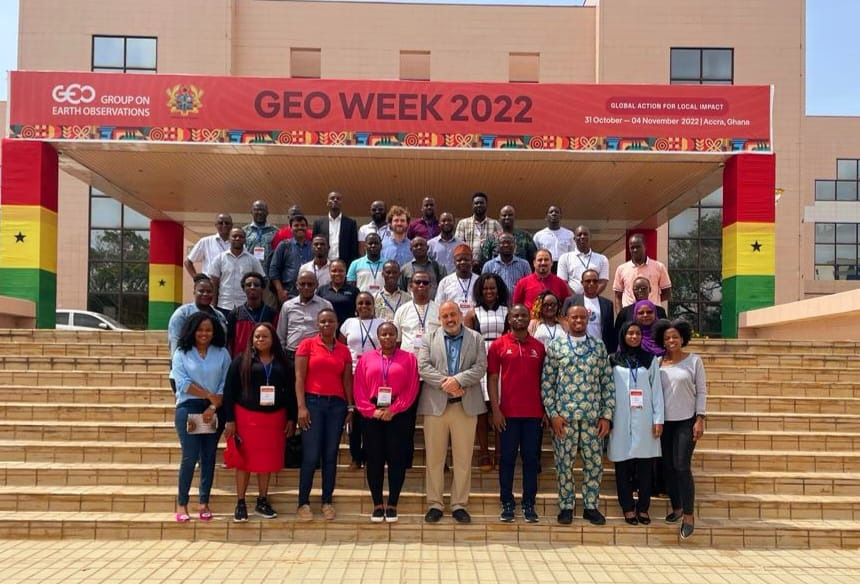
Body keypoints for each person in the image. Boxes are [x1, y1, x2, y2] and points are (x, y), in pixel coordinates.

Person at [541, 305, 614, 526]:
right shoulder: (557, 346)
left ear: (588, 318)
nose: (579, 321)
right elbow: (547, 383)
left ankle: (591, 506)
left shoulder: (598, 346)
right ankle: (566, 506)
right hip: (564, 419)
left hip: (593, 419)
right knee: (564, 464)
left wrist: (606, 416)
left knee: (594, 464)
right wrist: (553, 414)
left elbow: (607, 383)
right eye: (574, 317)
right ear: (567, 319)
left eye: (583, 317)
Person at [418, 300, 488, 524]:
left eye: (453, 314)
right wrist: (446, 383)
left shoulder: (475, 338)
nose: (450, 319)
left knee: (463, 458)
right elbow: (423, 367)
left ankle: (459, 504)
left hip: (465, 407)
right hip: (436, 407)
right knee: (434, 458)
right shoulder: (429, 338)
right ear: (440, 319)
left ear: (460, 315)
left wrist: (457, 380)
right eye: (445, 316)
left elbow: (480, 367)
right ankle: (435, 504)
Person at [223, 322, 297, 522]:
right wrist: (230, 420)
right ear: (252, 339)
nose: (260, 339)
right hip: (247, 418)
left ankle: (262, 500)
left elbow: (291, 392)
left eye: (265, 336)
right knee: (244, 462)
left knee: (266, 462)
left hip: (274, 420)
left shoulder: (283, 362)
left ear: (273, 339)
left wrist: (292, 418)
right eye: (257, 336)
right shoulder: (241, 360)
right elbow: (229, 391)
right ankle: (240, 502)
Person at [353, 321, 420, 523]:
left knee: (396, 459)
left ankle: (392, 503)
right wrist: (371, 411)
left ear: (397, 336)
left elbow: (412, 388)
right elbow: (359, 388)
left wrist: (394, 409)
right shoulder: (366, 359)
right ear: (378, 337)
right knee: (374, 459)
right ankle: (377, 504)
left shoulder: (409, 358)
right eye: (384, 334)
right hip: (372, 414)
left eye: (391, 334)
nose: (388, 337)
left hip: (398, 413)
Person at [170, 311, 231, 523]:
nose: (204, 333)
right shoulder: (182, 353)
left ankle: (204, 502)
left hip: (213, 409)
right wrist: (207, 396)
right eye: (200, 330)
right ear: (192, 331)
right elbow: (182, 383)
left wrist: (213, 406)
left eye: (208, 330)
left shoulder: (222, 353)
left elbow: (225, 383)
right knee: (190, 456)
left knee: (208, 456)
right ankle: (182, 503)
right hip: (189, 407)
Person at [294, 308, 354, 521]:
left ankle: (327, 501)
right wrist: (301, 407)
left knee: (330, 455)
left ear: (337, 323)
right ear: (317, 324)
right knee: (311, 456)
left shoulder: (344, 350)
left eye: (330, 321)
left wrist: (350, 407)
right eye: (323, 321)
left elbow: (347, 381)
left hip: (336, 406)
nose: (327, 324)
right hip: (313, 403)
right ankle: (303, 503)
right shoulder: (307, 345)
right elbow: (299, 378)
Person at [488, 304, 546, 523]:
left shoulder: (539, 347)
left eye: (523, 315)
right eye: (515, 315)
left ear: (529, 318)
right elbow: (492, 378)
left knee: (531, 459)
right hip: (507, 415)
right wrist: (495, 410)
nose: (519, 319)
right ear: (509, 319)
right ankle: (507, 502)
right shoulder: (498, 345)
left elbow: (544, 380)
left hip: (533, 414)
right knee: (507, 459)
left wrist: (545, 410)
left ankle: (529, 503)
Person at [654, 319, 707, 540]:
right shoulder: (658, 362)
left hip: (687, 421)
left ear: (682, 338)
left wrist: (700, 418)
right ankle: (676, 508)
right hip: (664, 423)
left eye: (675, 336)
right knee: (668, 467)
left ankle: (688, 515)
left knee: (682, 466)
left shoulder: (694, 361)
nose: (671, 340)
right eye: (667, 338)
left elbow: (701, 391)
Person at [608, 321, 664, 526]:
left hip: (645, 419)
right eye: (630, 333)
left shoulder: (650, 359)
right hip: (620, 418)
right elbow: (607, 389)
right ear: (623, 336)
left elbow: (656, 391)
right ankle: (627, 507)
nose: (634, 337)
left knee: (645, 467)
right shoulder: (612, 360)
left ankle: (643, 507)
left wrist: (658, 420)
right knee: (622, 466)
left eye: (637, 333)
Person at [392, 271, 441, 468]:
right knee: (406, 416)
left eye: (425, 282)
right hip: (408, 371)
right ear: (410, 286)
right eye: (417, 282)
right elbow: (396, 342)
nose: (421, 286)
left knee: (435, 417)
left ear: (431, 286)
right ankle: (405, 458)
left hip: (433, 370)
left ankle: (437, 459)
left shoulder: (438, 309)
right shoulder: (402, 310)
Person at [464, 273, 509, 472]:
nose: (489, 291)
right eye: (485, 288)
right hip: (480, 361)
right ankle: (483, 453)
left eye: (492, 288)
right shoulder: (472, 314)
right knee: (481, 411)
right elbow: (466, 341)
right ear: (479, 291)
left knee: (498, 409)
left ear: (498, 290)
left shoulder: (508, 311)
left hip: (502, 362)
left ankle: (499, 452)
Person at [338, 292, 383, 471]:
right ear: (356, 306)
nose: (364, 306)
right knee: (354, 417)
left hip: (375, 375)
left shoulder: (381, 323)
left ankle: (370, 456)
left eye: (368, 303)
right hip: (352, 374)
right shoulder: (348, 323)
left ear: (373, 305)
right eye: (361, 303)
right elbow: (341, 348)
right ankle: (355, 457)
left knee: (372, 417)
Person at [276, 271, 333, 360]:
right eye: (302, 284)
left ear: (316, 285)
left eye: (310, 284)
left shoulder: (325, 305)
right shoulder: (287, 306)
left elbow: (331, 332)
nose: (306, 287)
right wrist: (282, 356)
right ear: (297, 285)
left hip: (316, 354)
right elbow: (281, 334)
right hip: (291, 354)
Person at [167, 274, 228, 357]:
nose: (205, 294)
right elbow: (175, 341)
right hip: (188, 361)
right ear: (194, 292)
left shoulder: (219, 316)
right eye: (201, 291)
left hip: (214, 362)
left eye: (209, 291)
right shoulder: (182, 314)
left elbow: (223, 343)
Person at [613, 233, 672, 314]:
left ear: (645, 246)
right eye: (632, 248)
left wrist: (651, 302)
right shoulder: (621, 269)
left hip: (651, 313)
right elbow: (618, 296)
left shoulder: (659, 267)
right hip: (629, 313)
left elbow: (667, 293)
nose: (635, 250)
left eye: (638, 247)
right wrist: (620, 315)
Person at [209, 228, 265, 314]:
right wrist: (213, 305)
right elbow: (214, 283)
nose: (237, 238)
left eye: (241, 236)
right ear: (229, 239)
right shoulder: (219, 258)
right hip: (223, 305)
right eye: (234, 236)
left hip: (245, 306)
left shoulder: (253, 260)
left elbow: (261, 282)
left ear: (245, 239)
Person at [561, 269, 617, 354]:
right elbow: (563, 324)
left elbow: (609, 331)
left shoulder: (607, 304)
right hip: (575, 348)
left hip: (599, 350)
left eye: (595, 281)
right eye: (588, 281)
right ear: (582, 283)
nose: (591, 284)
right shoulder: (571, 301)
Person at [226, 272, 279, 357]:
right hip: (241, 358)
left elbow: (276, 340)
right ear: (243, 289)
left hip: (264, 358)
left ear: (262, 288)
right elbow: (230, 342)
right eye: (248, 285)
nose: (252, 287)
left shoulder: (272, 314)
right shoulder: (234, 314)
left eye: (256, 285)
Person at [269, 214, 312, 303]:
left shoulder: (313, 247)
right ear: (291, 228)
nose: (300, 228)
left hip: (310, 292)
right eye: (296, 225)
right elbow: (274, 269)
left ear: (306, 228)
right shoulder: (284, 245)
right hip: (289, 292)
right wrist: (280, 291)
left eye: (302, 225)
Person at [558, 225, 610, 296]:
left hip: (594, 299)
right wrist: (577, 298)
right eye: (579, 235)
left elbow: (603, 282)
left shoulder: (602, 259)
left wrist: (589, 296)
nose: (582, 237)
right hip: (572, 300)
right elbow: (563, 282)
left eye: (585, 234)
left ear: (590, 237)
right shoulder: (564, 258)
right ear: (574, 239)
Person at [455, 192, 502, 268]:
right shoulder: (463, 223)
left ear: (486, 205)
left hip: (490, 267)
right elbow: (459, 246)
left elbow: (499, 246)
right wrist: (471, 261)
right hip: (468, 267)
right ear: (472, 206)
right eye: (476, 203)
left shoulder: (495, 224)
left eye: (481, 203)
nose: (479, 205)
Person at [313, 191, 359, 267]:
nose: (335, 200)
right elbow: (314, 244)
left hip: (344, 265)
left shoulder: (350, 223)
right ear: (327, 202)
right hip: (323, 264)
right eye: (332, 198)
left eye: (338, 199)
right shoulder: (318, 223)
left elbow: (354, 247)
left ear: (341, 203)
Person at [481, 232, 532, 297]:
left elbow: (529, 287)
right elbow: (483, 288)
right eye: (503, 242)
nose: (506, 245)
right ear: (498, 246)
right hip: (496, 303)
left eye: (509, 242)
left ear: (515, 245)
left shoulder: (524, 265)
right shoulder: (488, 266)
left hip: (517, 302)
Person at [184, 213, 232, 278]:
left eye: (227, 223)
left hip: (230, 283)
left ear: (231, 225)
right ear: (216, 225)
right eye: (220, 223)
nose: (224, 225)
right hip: (210, 282)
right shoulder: (205, 241)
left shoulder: (238, 243)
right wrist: (197, 279)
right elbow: (188, 262)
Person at [435, 243, 477, 316]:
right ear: (454, 262)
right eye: (459, 260)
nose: (463, 262)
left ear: (472, 261)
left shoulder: (479, 281)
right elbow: (438, 306)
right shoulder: (445, 282)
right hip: (452, 320)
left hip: (475, 320)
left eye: (466, 259)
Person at [317, 259, 360, 330]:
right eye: (334, 271)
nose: (337, 273)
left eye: (341, 271)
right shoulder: (321, 290)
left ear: (345, 272)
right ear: (329, 272)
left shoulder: (354, 290)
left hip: (348, 329)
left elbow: (359, 311)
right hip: (327, 329)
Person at [533, 206, 574, 271]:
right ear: (546, 217)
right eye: (551, 212)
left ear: (561, 216)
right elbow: (535, 255)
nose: (554, 214)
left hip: (564, 267)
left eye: (557, 212)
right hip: (545, 267)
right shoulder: (538, 235)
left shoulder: (569, 234)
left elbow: (572, 254)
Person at [242, 200, 278, 274]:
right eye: (256, 210)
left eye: (262, 210)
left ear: (267, 213)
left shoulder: (276, 232)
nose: (260, 212)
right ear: (251, 212)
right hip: (249, 273)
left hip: (269, 273)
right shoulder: (244, 231)